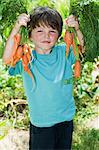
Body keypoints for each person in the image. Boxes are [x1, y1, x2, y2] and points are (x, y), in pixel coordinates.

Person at [3, 6, 84, 150]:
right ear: (29, 35)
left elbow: (84, 50)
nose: (46, 36)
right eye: (39, 31)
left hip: (66, 120)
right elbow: (7, 59)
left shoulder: (64, 52)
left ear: (59, 35)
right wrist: (16, 28)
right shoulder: (26, 57)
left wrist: (77, 29)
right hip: (42, 124)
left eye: (52, 31)